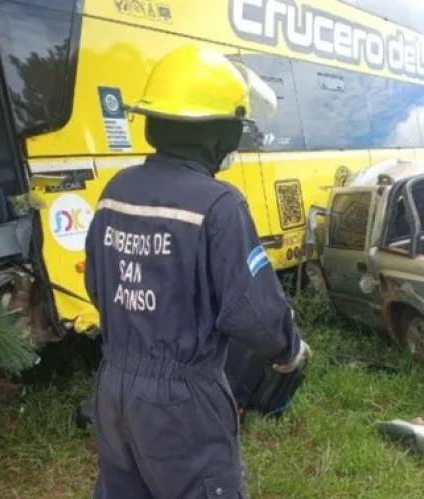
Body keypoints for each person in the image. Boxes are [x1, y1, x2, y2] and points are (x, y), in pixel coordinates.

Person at [84, 46, 310, 499]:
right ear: (219, 133)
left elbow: (97, 283)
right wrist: (290, 351)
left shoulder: (116, 191)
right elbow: (256, 315)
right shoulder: (218, 204)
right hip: (182, 403)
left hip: (114, 390)